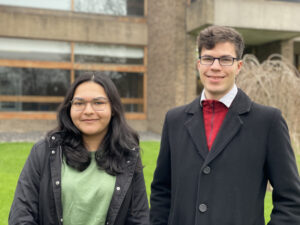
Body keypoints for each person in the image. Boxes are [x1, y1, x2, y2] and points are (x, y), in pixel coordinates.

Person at [150, 25, 300, 225]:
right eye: (208, 58)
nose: (215, 67)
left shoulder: (268, 122)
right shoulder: (174, 120)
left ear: (239, 66)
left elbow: (291, 200)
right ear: (198, 64)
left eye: (225, 59)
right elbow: (162, 191)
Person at [9, 72, 149, 225]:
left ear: (113, 108)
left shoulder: (127, 155)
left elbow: (139, 218)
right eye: (79, 103)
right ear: (69, 108)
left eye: (98, 102)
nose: (88, 110)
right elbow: (21, 215)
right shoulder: (44, 152)